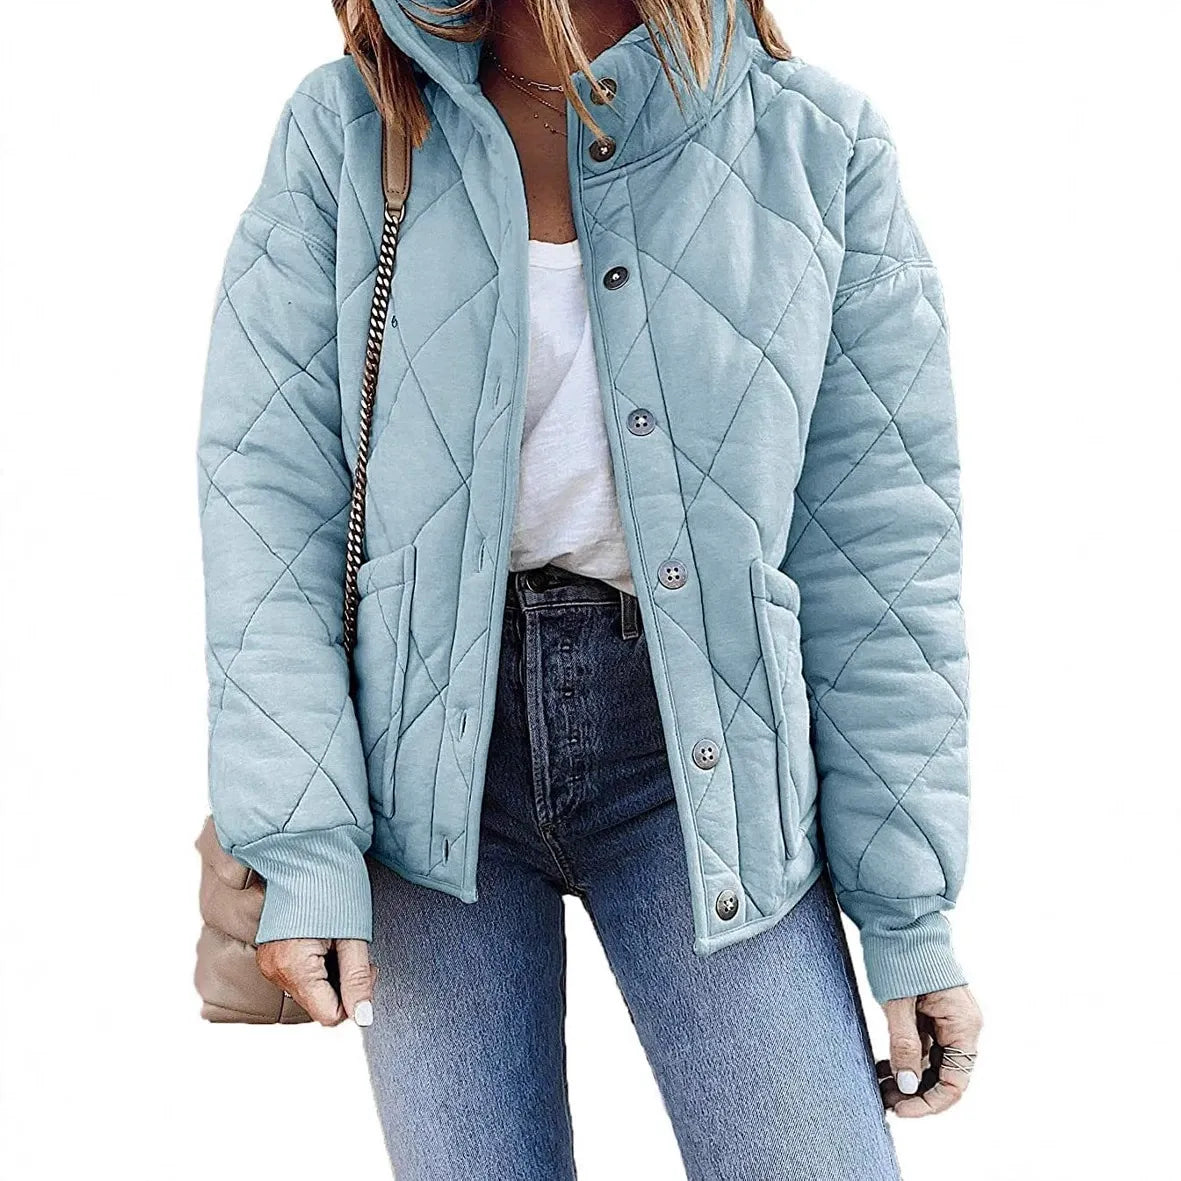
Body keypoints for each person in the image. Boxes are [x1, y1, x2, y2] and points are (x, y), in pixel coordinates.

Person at [197, 0, 982, 1175]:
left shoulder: (816, 146)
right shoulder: (349, 131)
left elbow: (880, 565)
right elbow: (266, 503)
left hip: (701, 759)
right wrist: (303, 841)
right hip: (427, 777)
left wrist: (908, 916)